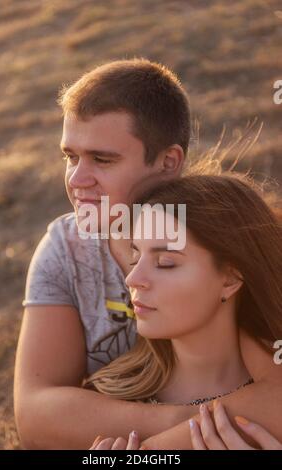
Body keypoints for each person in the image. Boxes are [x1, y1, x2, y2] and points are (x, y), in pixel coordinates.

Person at [14, 59, 282, 449]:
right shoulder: (64, 248)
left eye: (102, 159)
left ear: (168, 162)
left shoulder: (222, 236)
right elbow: (36, 415)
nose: (76, 179)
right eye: (70, 157)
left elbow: (276, 398)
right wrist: (198, 425)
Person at [85, 174, 282, 450]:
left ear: (230, 279)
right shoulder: (105, 398)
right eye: (135, 257)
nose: (132, 278)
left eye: (165, 262)